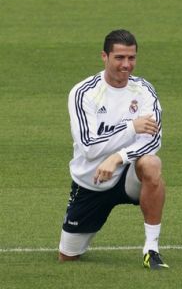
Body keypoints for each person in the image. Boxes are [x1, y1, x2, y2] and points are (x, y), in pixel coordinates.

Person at [58, 29, 169, 270]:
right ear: (104, 57)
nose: (126, 65)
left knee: (151, 164)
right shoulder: (84, 93)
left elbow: (153, 140)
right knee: (67, 258)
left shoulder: (144, 91)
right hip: (92, 182)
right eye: (119, 58)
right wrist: (131, 127)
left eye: (131, 58)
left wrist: (118, 158)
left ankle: (152, 248)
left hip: (128, 174)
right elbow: (89, 147)